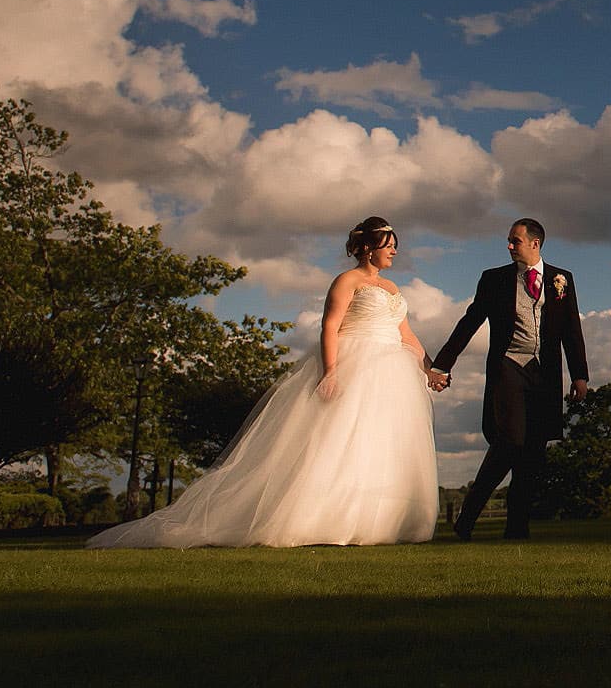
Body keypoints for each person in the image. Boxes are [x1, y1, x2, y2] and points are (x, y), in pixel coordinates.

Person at [88, 218, 440, 548]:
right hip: (356, 360)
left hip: (390, 367)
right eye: (388, 245)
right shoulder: (346, 282)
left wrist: (429, 370)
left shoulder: (392, 288)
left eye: (395, 246)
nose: (393, 251)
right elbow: (329, 326)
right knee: (338, 442)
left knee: (379, 444)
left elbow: (405, 333)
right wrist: (331, 371)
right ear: (368, 248)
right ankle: (323, 518)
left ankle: (382, 521)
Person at [428, 217, 587, 540]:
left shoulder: (562, 279)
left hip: (545, 374)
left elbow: (572, 330)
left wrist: (580, 375)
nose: (509, 246)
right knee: (510, 441)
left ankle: (517, 527)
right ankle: (467, 518)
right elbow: (469, 322)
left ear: (535, 244)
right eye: (509, 241)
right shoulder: (495, 279)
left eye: (515, 240)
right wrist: (443, 364)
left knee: (533, 451)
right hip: (509, 368)